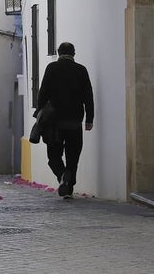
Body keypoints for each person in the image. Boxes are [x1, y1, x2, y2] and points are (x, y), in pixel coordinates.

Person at [36, 41, 94, 198]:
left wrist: (39, 113)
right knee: (73, 155)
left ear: (58, 52)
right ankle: (69, 188)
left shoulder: (52, 68)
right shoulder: (81, 70)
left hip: (55, 122)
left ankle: (62, 175)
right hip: (75, 121)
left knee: (54, 155)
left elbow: (43, 92)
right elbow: (88, 95)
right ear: (74, 53)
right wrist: (89, 118)